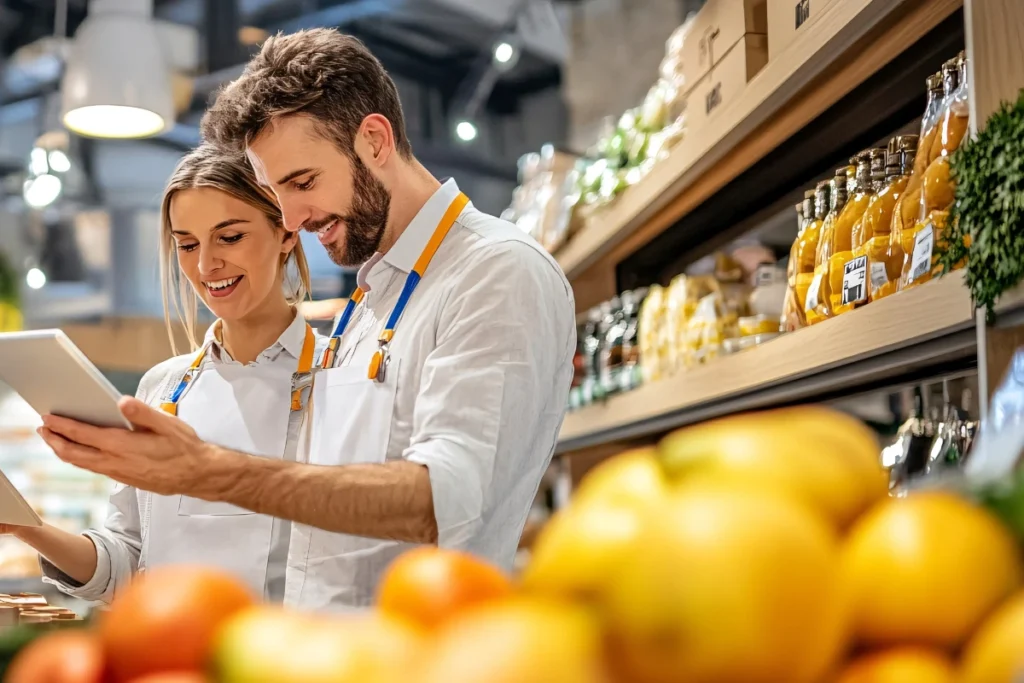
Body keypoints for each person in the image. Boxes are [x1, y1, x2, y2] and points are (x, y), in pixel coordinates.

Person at [39, 28, 576, 609]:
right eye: (276, 190)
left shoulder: (495, 271)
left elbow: (443, 503)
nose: (291, 219)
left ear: (374, 140)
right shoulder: (371, 298)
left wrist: (208, 472)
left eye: (302, 182)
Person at [22, 144, 319, 603]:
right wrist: (26, 527)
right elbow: (128, 566)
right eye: (187, 244)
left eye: (230, 237)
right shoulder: (162, 388)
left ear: (286, 233)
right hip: (168, 659)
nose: (205, 266)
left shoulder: (340, 375)